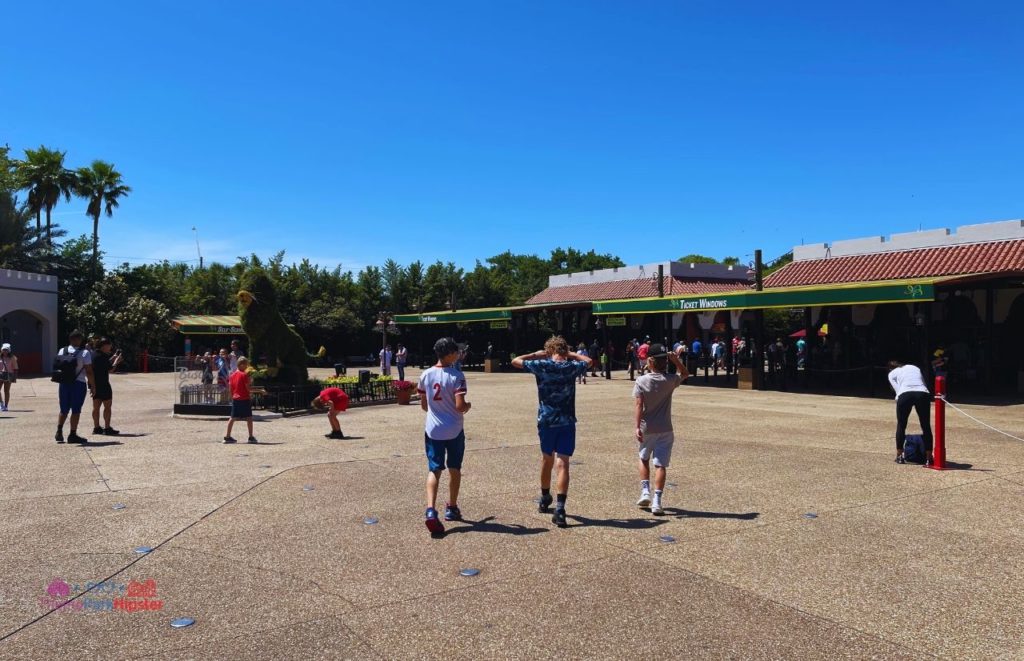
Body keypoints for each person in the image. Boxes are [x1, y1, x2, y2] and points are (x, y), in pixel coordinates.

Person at [512, 336, 592, 528]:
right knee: (563, 463)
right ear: (565, 351)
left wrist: (535, 354)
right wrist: (572, 354)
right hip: (566, 421)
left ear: (548, 351)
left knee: (547, 459)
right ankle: (560, 508)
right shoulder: (571, 367)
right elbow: (588, 362)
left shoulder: (541, 365)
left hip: (547, 420)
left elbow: (515, 361)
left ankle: (545, 495)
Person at [417, 337, 471, 535]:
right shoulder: (457, 376)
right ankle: (452, 507)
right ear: (449, 354)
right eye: (455, 352)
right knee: (454, 468)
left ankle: (431, 510)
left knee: (434, 469)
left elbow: (424, 405)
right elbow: (460, 406)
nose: (457, 354)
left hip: (433, 429)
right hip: (454, 429)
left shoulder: (426, 374)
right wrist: (468, 406)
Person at [633, 344, 689, 515]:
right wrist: (676, 361)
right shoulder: (670, 380)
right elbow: (685, 374)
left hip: (647, 426)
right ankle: (657, 501)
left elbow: (639, 405)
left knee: (643, 459)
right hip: (665, 427)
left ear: (650, 361)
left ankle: (645, 491)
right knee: (660, 464)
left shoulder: (641, 381)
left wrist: (637, 426)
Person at [887, 360, 933, 465]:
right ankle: (929, 457)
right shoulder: (915, 367)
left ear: (890, 368)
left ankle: (899, 456)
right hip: (922, 393)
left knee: (901, 425)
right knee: (926, 425)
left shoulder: (892, 373)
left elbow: (897, 391)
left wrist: (899, 399)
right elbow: (923, 383)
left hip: (905, 393)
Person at [55, 330, 95, 445]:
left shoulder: (62, 350)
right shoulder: (84, 353)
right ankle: (72, 434)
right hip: (78, 383)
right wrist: (92, 385)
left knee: (63, 409)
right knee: (76, 410)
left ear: (70, 339)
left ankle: (59, 431)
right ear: (79, 339)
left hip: (63, 383)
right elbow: (89, 371)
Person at [90, 338, 124, 435]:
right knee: (107, 407)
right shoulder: (103, 356)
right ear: (104, 346)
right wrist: (116, 361)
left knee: (96, 407)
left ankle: (96, 427)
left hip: (95, 384)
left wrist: (112, 358)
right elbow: (110, 369)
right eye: (109, 346)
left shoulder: (94, 354)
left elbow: (103, 365)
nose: (110, 347)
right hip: (104, 384)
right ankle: (107, 428)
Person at [224, 357, 257, 444]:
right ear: (242, 365)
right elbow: (248, 388)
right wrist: (259, 391)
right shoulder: (244, 375)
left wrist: (232, 397)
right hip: (244, 398)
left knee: (232, 418)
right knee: (249, 418)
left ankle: (227, 436)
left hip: (236, 399)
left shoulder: (232, 375)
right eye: (246, 365)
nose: (247, 367)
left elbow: (230, 389)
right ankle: (250, 437)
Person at [0, 343, 18, 412]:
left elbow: (16, 368)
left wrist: (14, 377)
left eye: (6, 350)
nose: (5, 351)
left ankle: (6, 406)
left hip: (8, 375)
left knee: (6, 391)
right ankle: (1, 404)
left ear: (9, 350)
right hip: (0, 374)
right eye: (4, 349)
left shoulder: (12, 357)